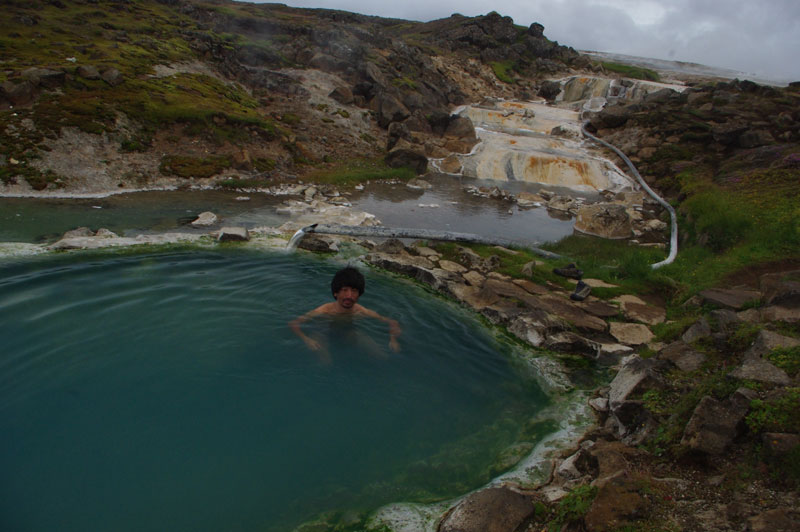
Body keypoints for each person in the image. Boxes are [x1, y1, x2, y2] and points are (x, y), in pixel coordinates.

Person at [289, 267, 402, 357]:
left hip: (349, 334)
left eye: (354, 291)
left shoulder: (360, 311)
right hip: (322, 333)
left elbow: (392, 322)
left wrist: (393, 340)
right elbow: (294, 323)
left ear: (359, 294)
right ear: (335, 293)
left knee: (381, 356)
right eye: (344, 290)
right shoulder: (324, 310)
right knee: (326, 363)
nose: (349, 296)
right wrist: (307, 340)